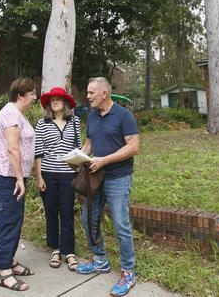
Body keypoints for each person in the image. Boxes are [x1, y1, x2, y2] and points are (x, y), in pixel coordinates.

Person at [76, 77, 140, 297]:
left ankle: (128, 272)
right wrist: (78, 157)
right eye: (88, 92)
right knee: (88, 218)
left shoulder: (124, 115)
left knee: (121, 224)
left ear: (104, 93)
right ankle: (100, 260)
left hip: (118, 177)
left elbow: (133, 147)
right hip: (95, 176)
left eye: (92, 92)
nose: (88, 96)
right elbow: (90, 144)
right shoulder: (92, 117)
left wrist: (104, 160)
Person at [0, 77, 37, 292]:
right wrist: (18, 178)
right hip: (4, 178)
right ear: (20, 95)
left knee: (14, 220)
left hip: (14, 177)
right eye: (32, 93)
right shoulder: (10, 114)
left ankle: (11, 261)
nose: (35, 97)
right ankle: (4, 273)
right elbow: (12, 148)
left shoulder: (18, 114)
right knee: (6, 222)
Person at [33, 86, 81, 272]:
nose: (55, 101)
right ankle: (55, 249)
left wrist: (78, 164)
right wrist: (39, 177)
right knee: (51, 211)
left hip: (69, 174)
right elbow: (39, 153)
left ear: (65, 102)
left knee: (67, 211)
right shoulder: (41, 123)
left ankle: (69, 252)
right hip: (48, 174)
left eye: (59, 99)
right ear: (48, 104)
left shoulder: (75, 122)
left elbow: (78, 148)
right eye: (52, 99)